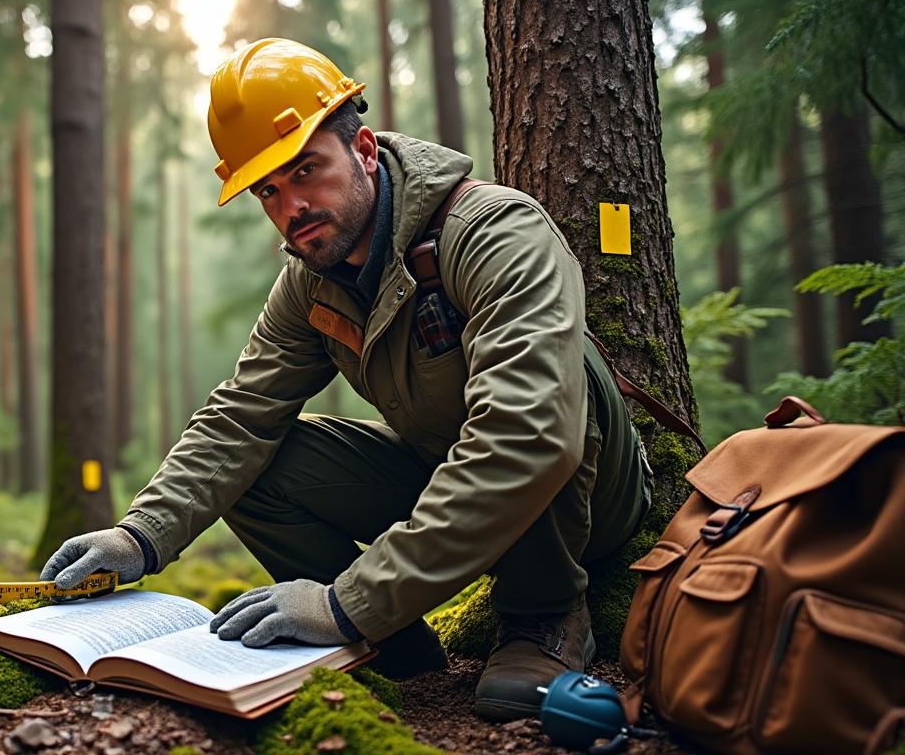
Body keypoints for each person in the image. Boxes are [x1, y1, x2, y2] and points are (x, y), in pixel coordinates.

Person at [40, 37, 651, 721]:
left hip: (585, 497)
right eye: (268, 190)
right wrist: (139, 536)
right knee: (258, 462)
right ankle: (389, 641)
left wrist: (344, 601)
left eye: (306, 170)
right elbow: (240, 417)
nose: (291, 205)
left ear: (363, 149)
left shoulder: (493, 232)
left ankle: (543, 613)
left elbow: (529, 436)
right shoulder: (309, 285)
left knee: (530, 426)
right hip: (443, 473)